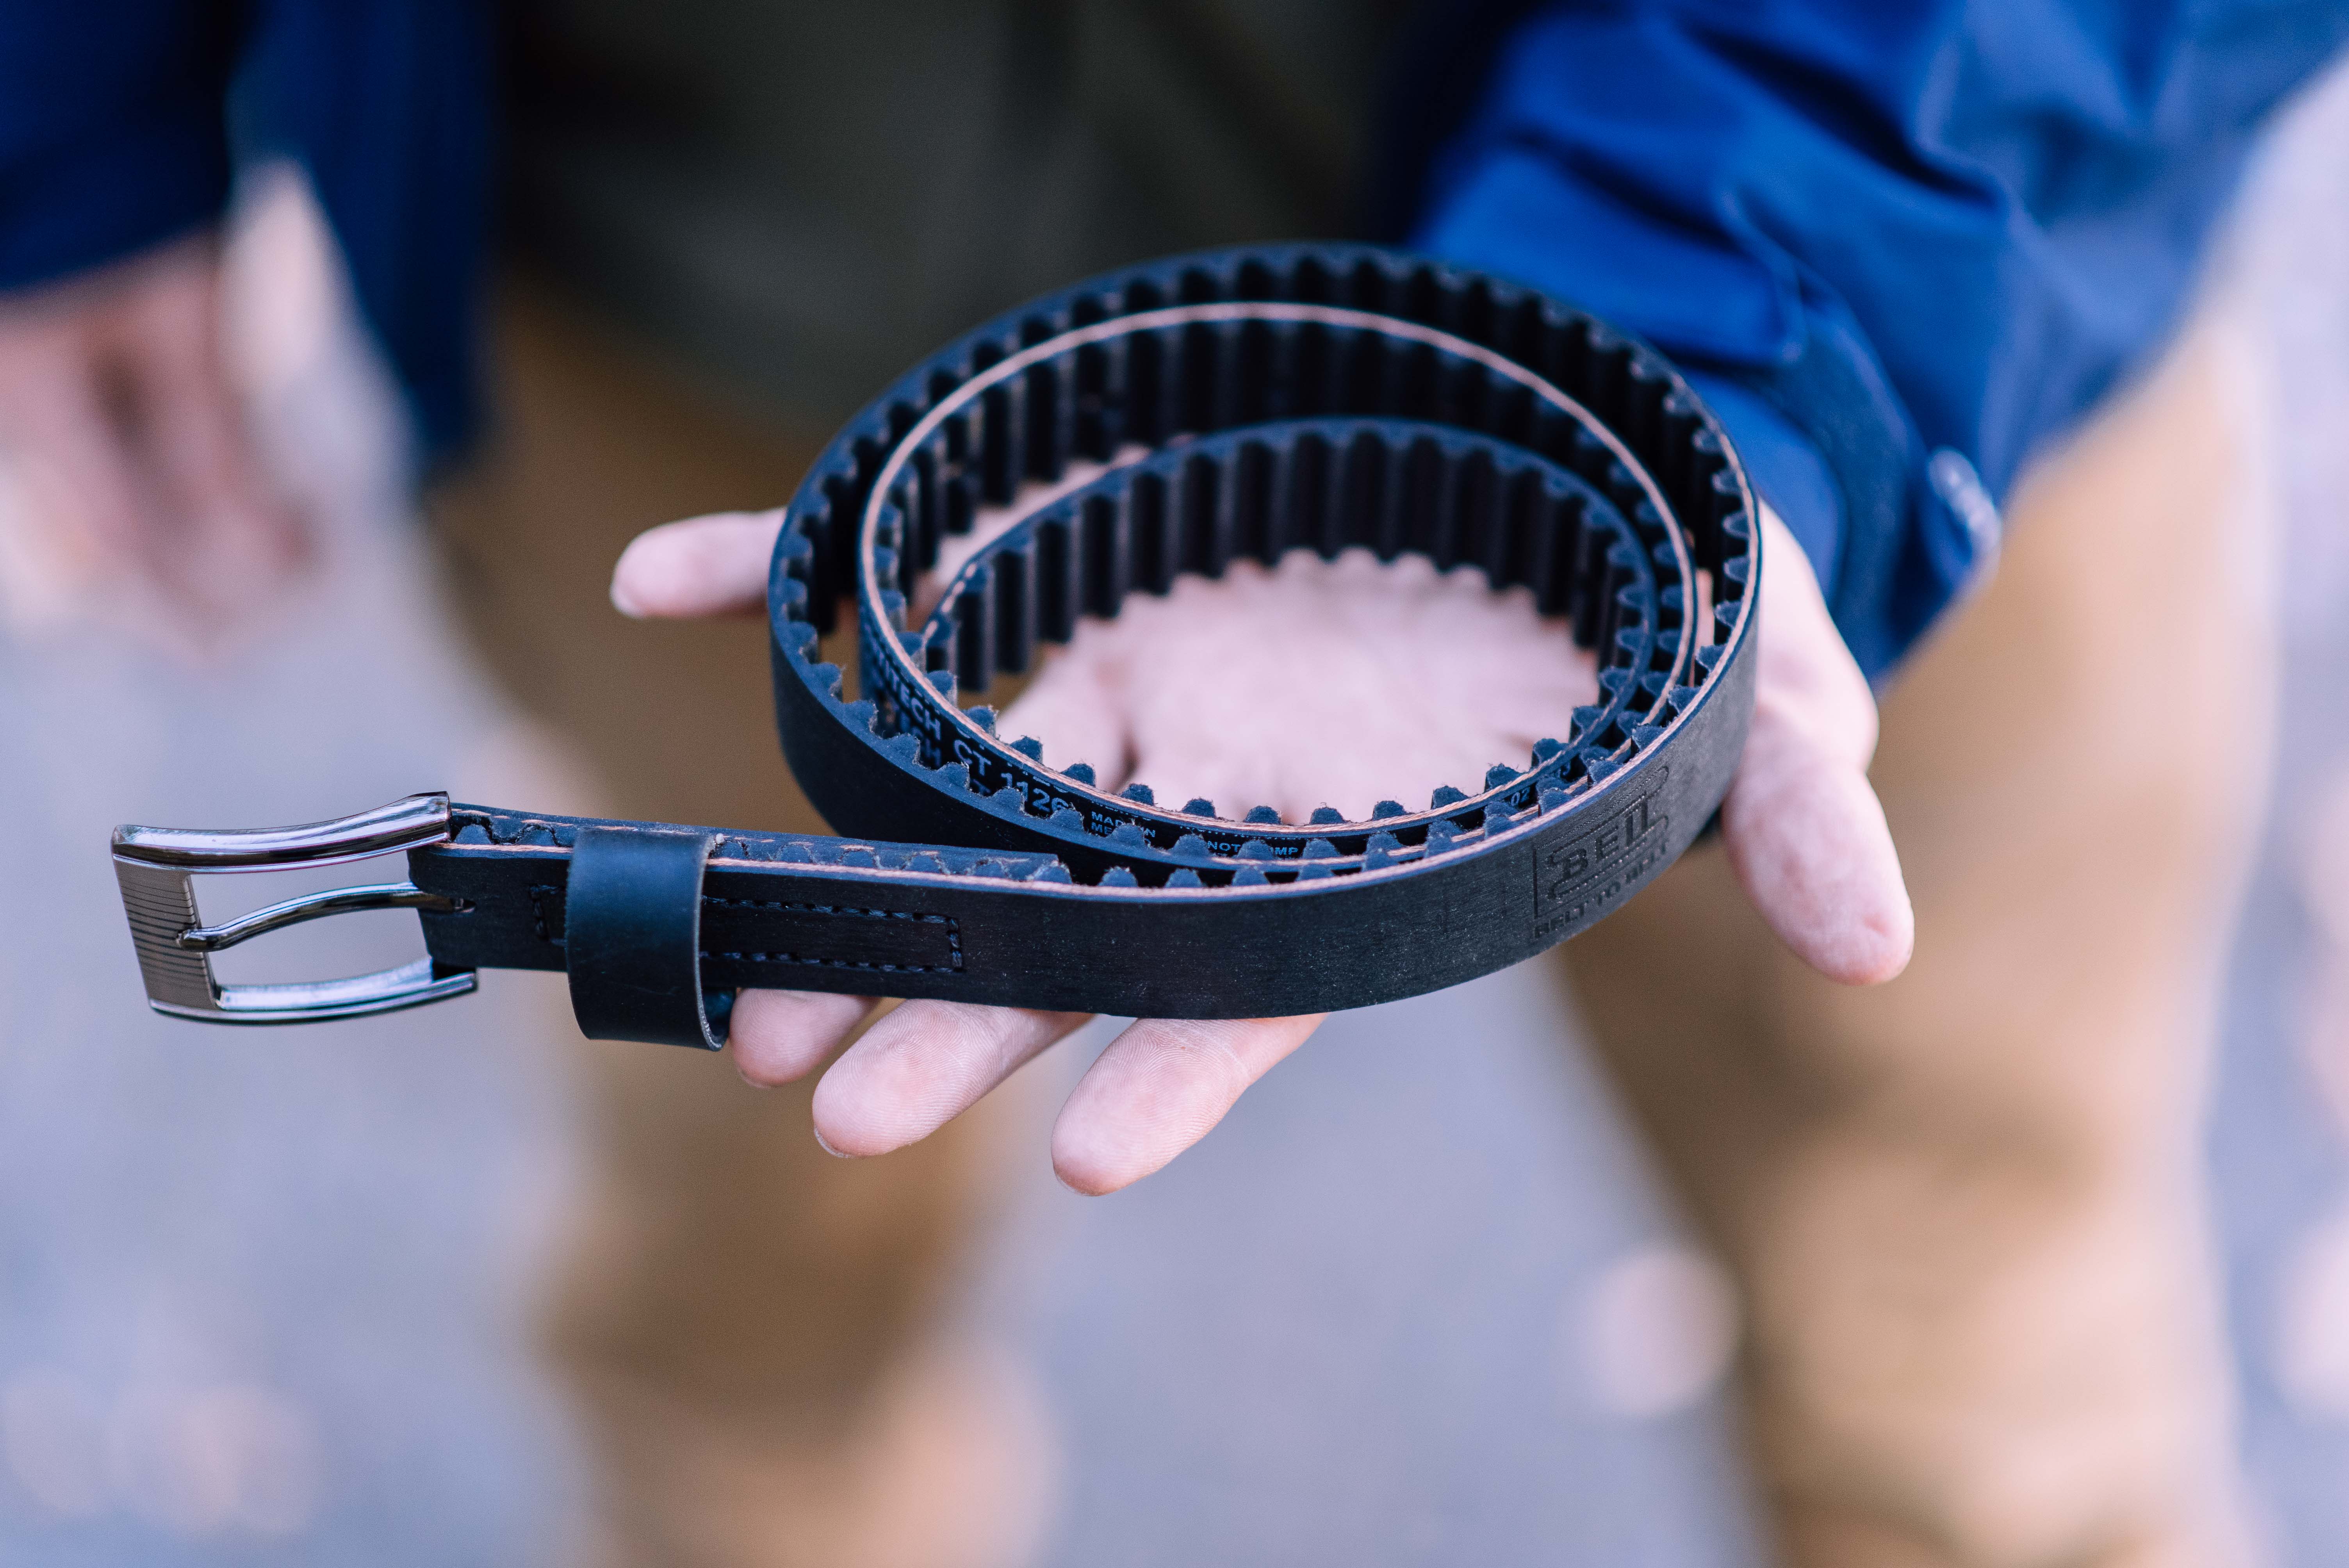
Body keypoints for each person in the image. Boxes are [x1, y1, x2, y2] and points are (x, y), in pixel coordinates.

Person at [3, 3, 2343, 1564]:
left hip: (1853, 321)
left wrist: (1746, 303)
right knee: (762, 1243)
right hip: (690, 274)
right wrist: (68, 105)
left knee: (1964, 1336)